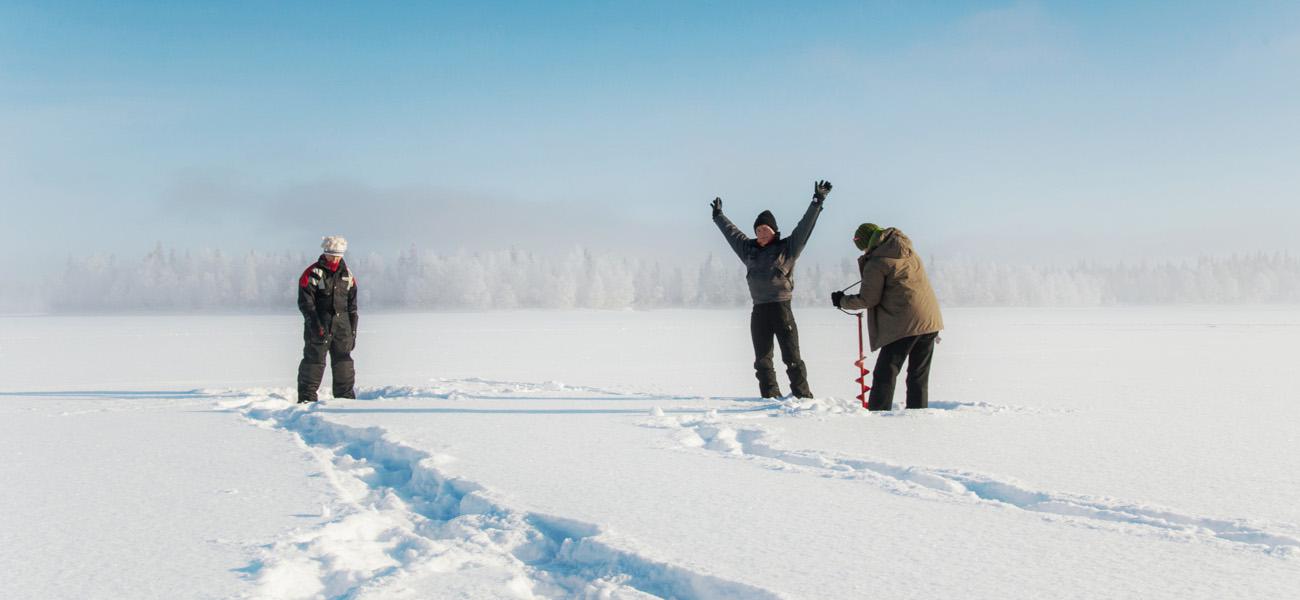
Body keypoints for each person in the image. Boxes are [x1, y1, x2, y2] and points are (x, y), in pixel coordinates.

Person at [712, 180, 831, 398]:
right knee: (762, 359)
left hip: (781, 308)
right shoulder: (749, 250)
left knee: (791, 357)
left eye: (765, 229)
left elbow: (804, 228)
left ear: (774, 231)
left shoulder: (787, 248)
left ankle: (802, 396)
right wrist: (719, 217)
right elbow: (733, 234)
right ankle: (770, 396)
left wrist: (817, 202)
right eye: (758, 230)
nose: (761, 233)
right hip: (759, 310)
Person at [832, 223, 943, 411]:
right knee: (918, 375)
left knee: (885, 373)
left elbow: (868, 299)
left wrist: (842, 301)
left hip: (904, 324)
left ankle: (878, 417)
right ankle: (919, 416)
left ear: (866, 243)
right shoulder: (908, 252)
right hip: (929, 320)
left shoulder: (877, 262)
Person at [296, 236, 358, 403]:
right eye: (332, 255)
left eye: (339, 255)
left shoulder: (347, 275)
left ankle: (345, 399)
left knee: (344, 362)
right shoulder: (313, 273)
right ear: (325, 253)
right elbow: (305, 303)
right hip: (319, 325)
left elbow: (352, 306)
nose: (335, 259)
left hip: (342, 327)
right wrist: (315, 325)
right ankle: (307, 399)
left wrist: (353, 330)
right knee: (314, 361)